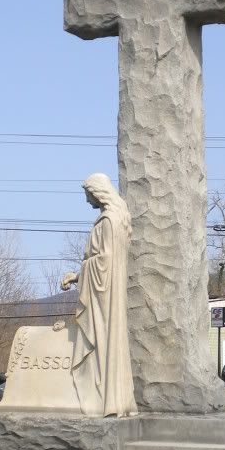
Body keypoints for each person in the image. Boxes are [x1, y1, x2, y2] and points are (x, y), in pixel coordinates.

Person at [60, 173, 137, 418]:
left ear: (98, 193)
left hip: (105, 299)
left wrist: (79, 272)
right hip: (109, 293)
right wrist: (79, 275)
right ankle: (116, 400)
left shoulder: (108, 221)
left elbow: (104, 261)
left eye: (88, 195)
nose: (86, 201)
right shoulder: (119, 219)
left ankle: (107, 400)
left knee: (104, 343)